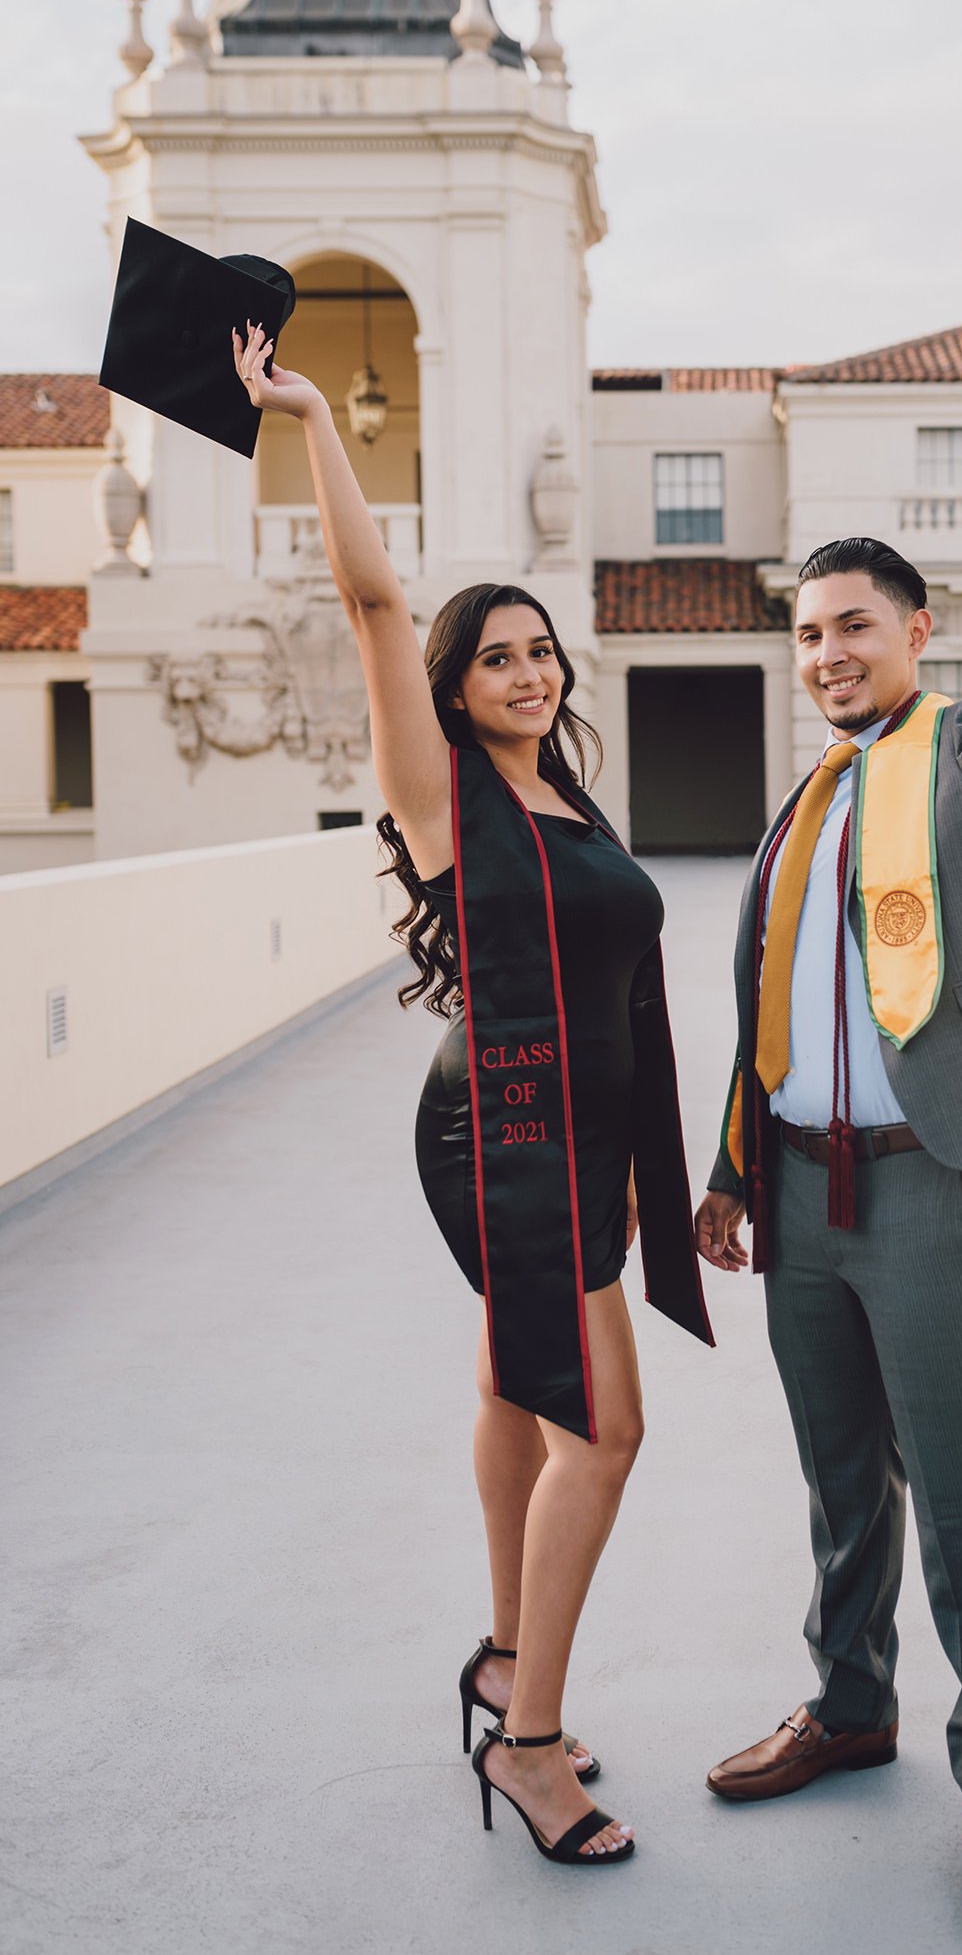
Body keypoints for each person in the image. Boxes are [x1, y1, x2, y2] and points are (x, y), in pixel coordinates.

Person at [232, 323, 712, 1870]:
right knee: (609, 1429)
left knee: (520, 1392)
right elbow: (373, 595)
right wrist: (312, 419)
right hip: (498, 1135)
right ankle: (528, 1744)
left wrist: (643, 1165)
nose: (528, 669)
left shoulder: (568, 791)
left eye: (540, 649)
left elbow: (619, 987)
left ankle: (508, 1656)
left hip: (575, 1134)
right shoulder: (435, 789)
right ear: (452, 682)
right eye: (495, 653)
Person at [693, 357, 962, 1935]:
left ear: (917, 635)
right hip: (804, 1193)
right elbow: (772, 1003)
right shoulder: (803, 802)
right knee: (837, 1484)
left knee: (960, 1488)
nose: (826, 655)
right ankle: (850, 1703)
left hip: (940, 1189)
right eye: (806, 634)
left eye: (855, 627)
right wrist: (737, 1169)